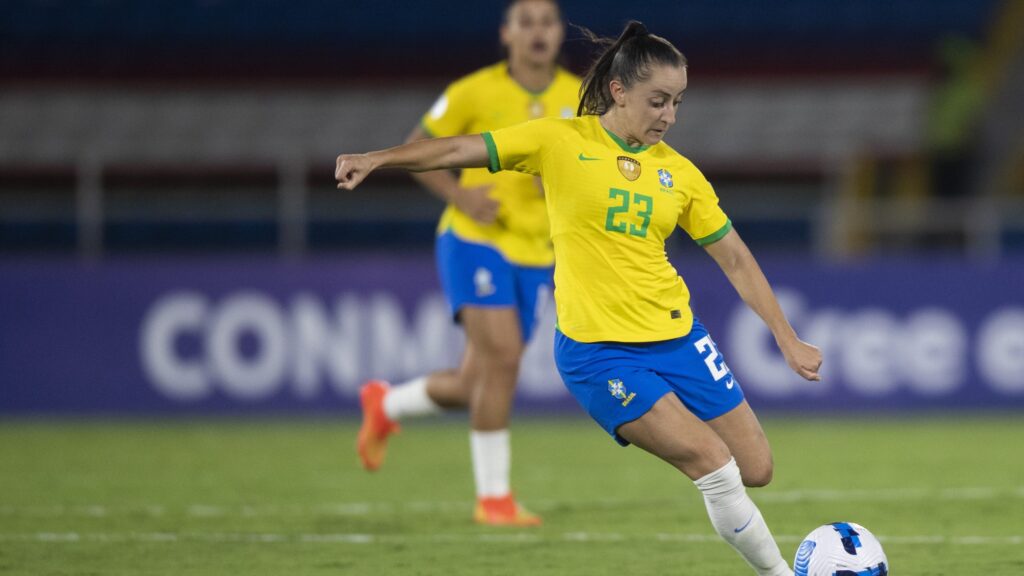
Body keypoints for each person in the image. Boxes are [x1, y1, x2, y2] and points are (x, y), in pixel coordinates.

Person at [338, 20, 821, 576]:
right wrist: (377, 158)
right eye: (657, 100)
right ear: (618, 91)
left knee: (756, 468)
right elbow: (459, 147)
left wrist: (786, 338)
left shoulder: (681, 175)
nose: (668, 115)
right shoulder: (560, 141)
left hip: (678, 339)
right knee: (714, 464)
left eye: (677, 102)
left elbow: (734, 256)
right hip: (600, 354)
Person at [355, 0, 580, 527]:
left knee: (472, 383)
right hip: (473, 237)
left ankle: (384, 405)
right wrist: (462, 198)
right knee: (502, 357)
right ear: (507, 34)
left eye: (546, 22)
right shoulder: (473, 90)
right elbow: (421, 149)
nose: (537, 32)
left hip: (535, 251)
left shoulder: (578, 96)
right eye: (525, 22)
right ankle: (494, 499)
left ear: (560, 32)